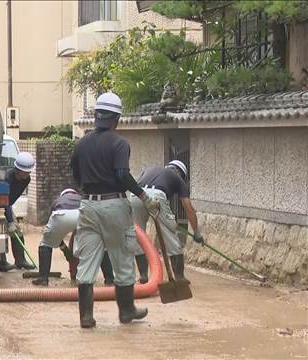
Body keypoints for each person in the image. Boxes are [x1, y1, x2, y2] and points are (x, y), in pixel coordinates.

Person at [70, 92, 159, 328]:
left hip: (87, 206)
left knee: (87, 262)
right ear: (116, 118)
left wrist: (86, 189)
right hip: (113, 204)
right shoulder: (119, 143)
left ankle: (86, 317)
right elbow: (121, 174)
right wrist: (143, 195)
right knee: (122, 258)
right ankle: (126, 311)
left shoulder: (81, 143)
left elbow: (75, 174)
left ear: (97, 116)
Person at [130, 160, 204, 283]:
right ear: (180, 172)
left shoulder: (150, 168)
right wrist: (196, 232)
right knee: (170, 235)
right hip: (157, 195)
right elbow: (188, 208)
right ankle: (179, 278)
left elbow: (136, 184)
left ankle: (143, 276)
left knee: (139, 236)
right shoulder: (177, 177)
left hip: (137, 195)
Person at [31, 188, 116, 286]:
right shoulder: (81, 198)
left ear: (63, 195)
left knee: (45, 244)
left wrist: (64, 249)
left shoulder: (58, 201)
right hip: (83, 214)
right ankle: (109, 279)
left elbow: (54, 234)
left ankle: (43, 278)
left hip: (61, 214)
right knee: (100, 245)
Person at [0, 152, 36, 272]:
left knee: (17, 231)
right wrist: (9, 221)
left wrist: (11, 220)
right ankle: (2, 262)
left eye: (28, 172)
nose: (27, 174)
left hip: (7, 204)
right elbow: (4, 199)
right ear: (17, 169)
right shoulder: (6, 177)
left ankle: (20, 260)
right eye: (25, 172)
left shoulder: (27, 179)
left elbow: (10, 201)